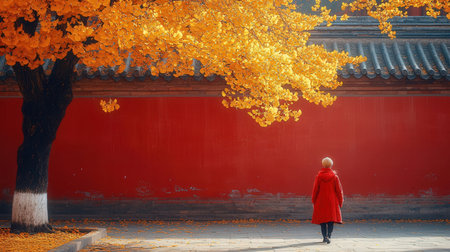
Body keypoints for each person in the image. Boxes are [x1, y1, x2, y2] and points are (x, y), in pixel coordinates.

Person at [311, 157, 344, 244]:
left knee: (322, 220)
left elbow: (315, 190)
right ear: (331, 165)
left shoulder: (318, 177)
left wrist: (313, 201)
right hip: (332, 201)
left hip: (321, 200)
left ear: (323, 164)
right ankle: (329, 235)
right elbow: (339, 191)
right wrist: (340, 202)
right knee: (331, 219)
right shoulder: (335, 177)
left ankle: (324, 236)